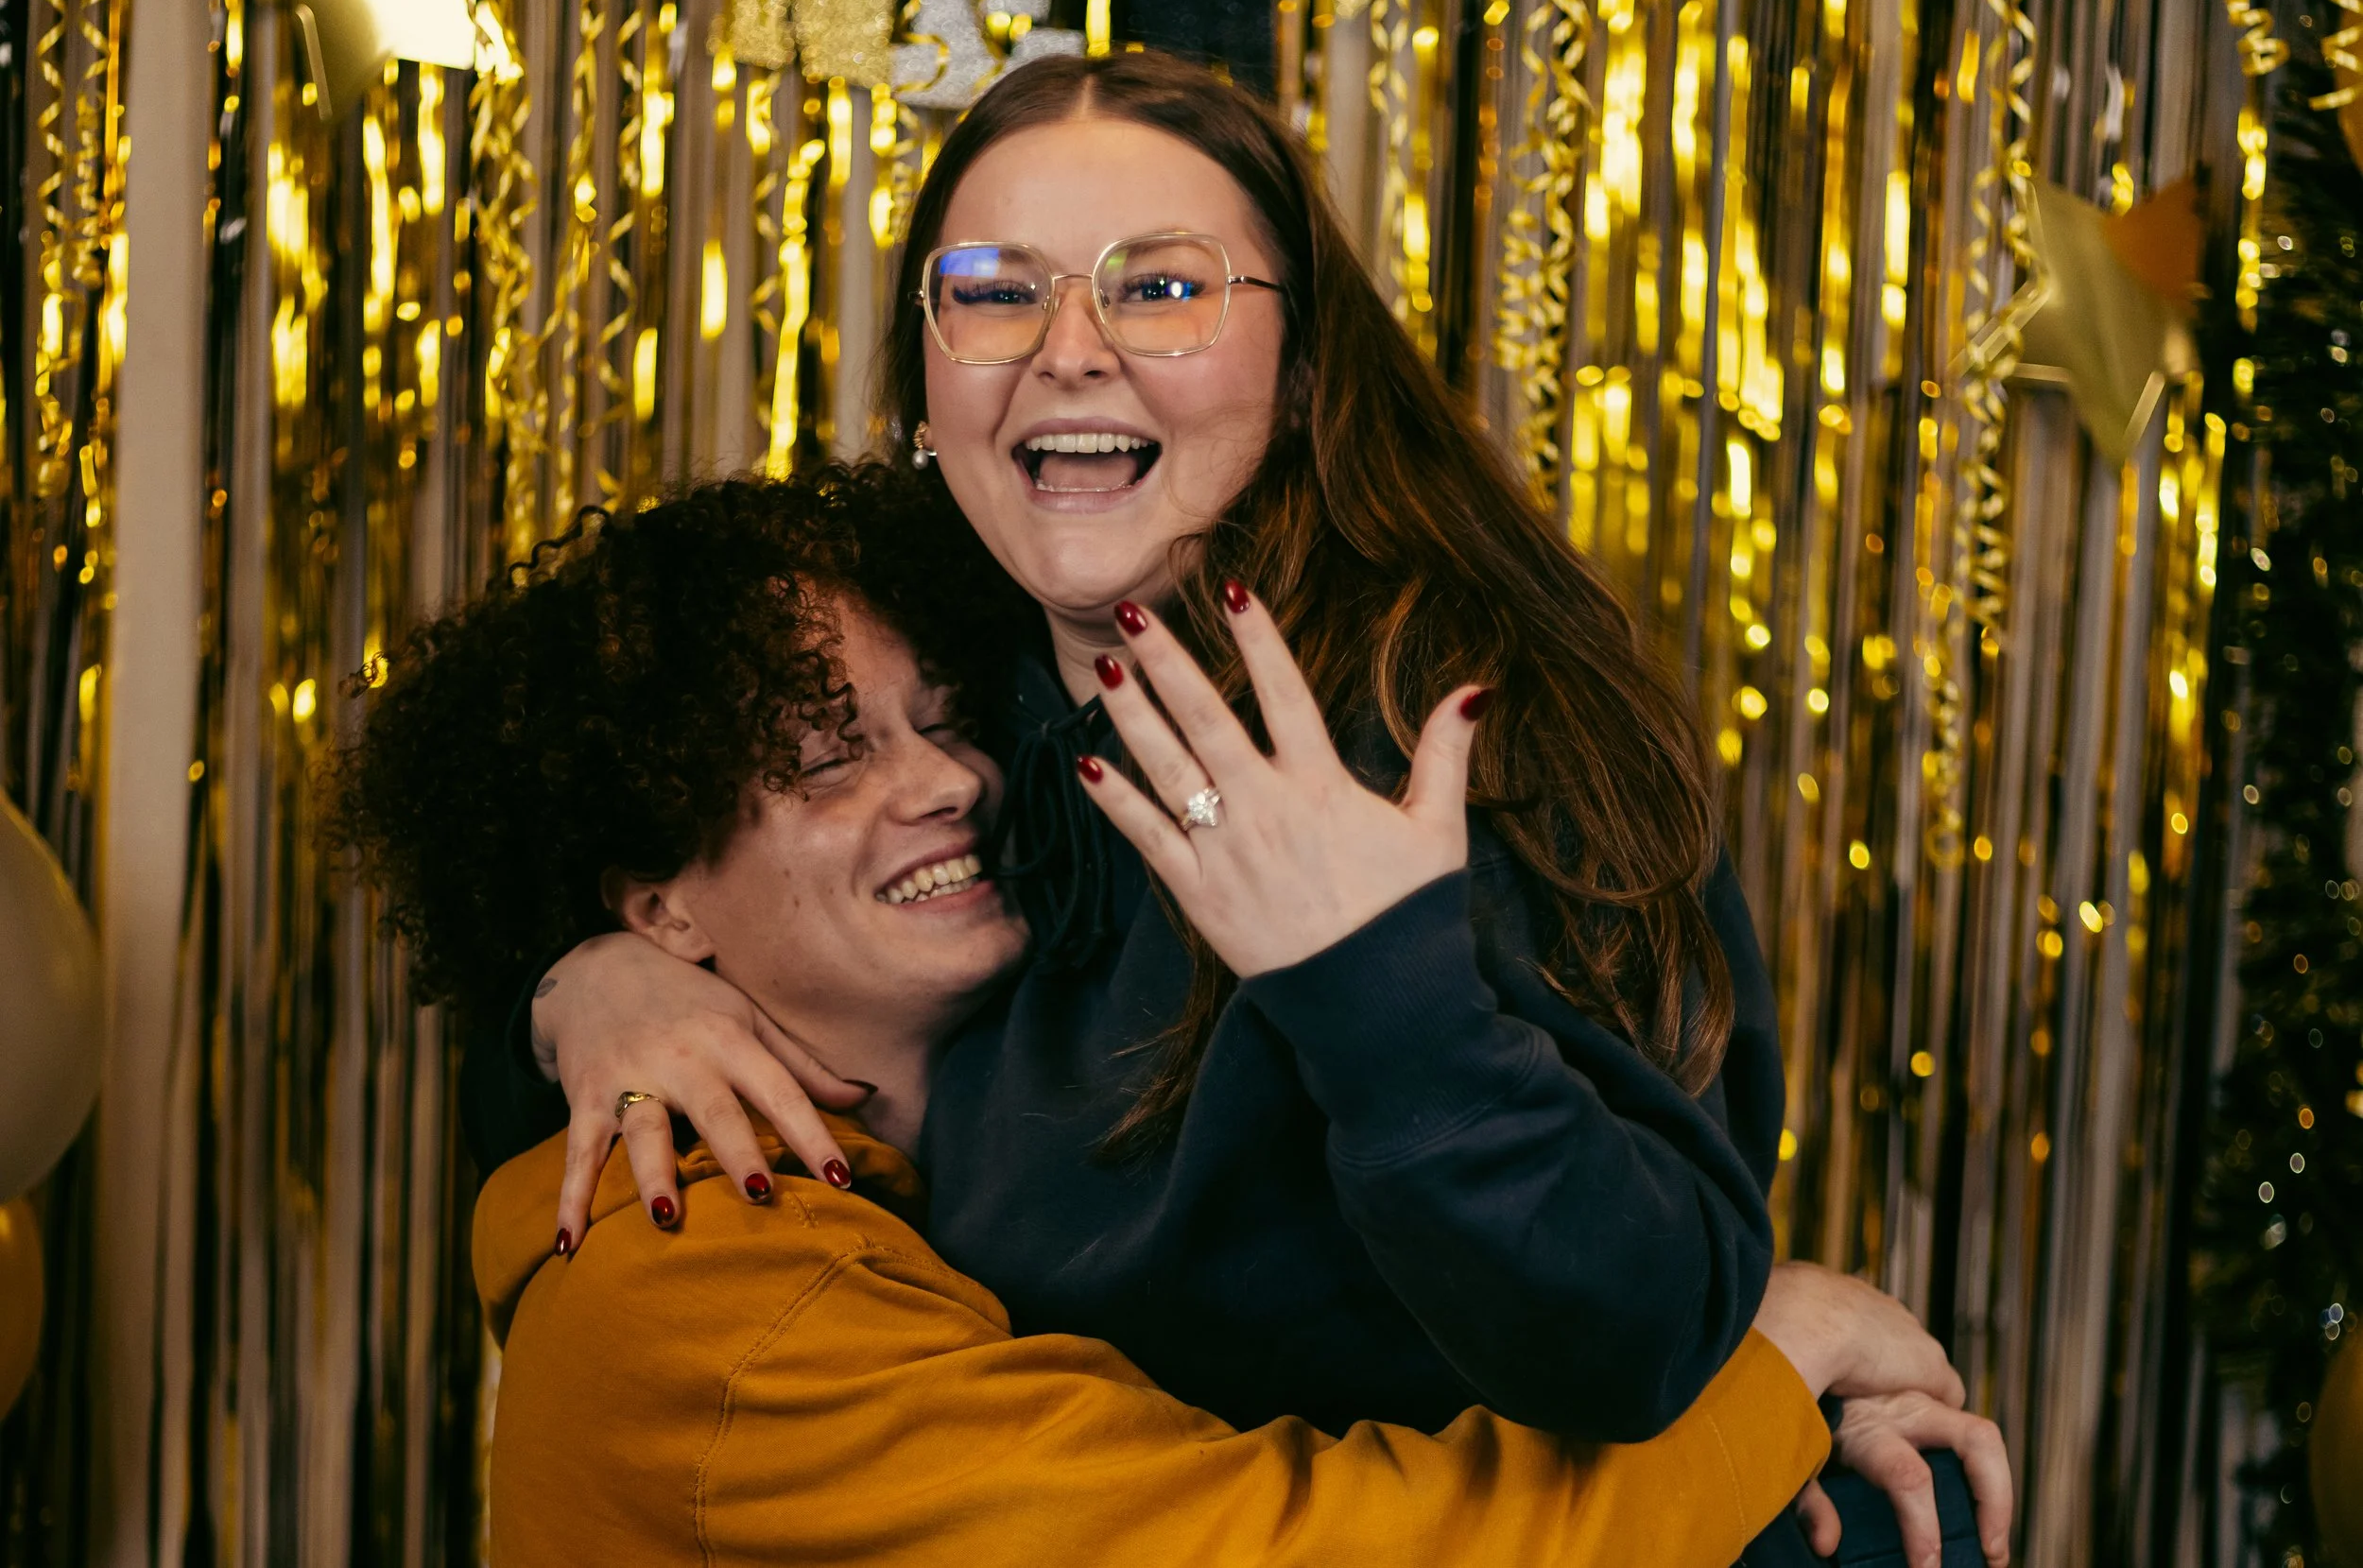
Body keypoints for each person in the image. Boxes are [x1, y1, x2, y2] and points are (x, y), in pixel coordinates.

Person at [479, 53, 2002, 1566]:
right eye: (997, 289)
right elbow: (651, 843)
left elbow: (1634, 1340)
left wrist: (1379, 991)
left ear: (1305, 366)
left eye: (1160, 289)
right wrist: (589, 988)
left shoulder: (1440, 736)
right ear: (927, 377)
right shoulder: (971, 684)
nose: (1068, 349)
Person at [329, 472, 2009, 1565]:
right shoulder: (722, 1288)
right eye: (831, 757)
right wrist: (1772, 1357)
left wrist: (579, 990)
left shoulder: (973, 1107)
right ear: (657, 902)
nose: (950, 785)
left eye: (939, 721)